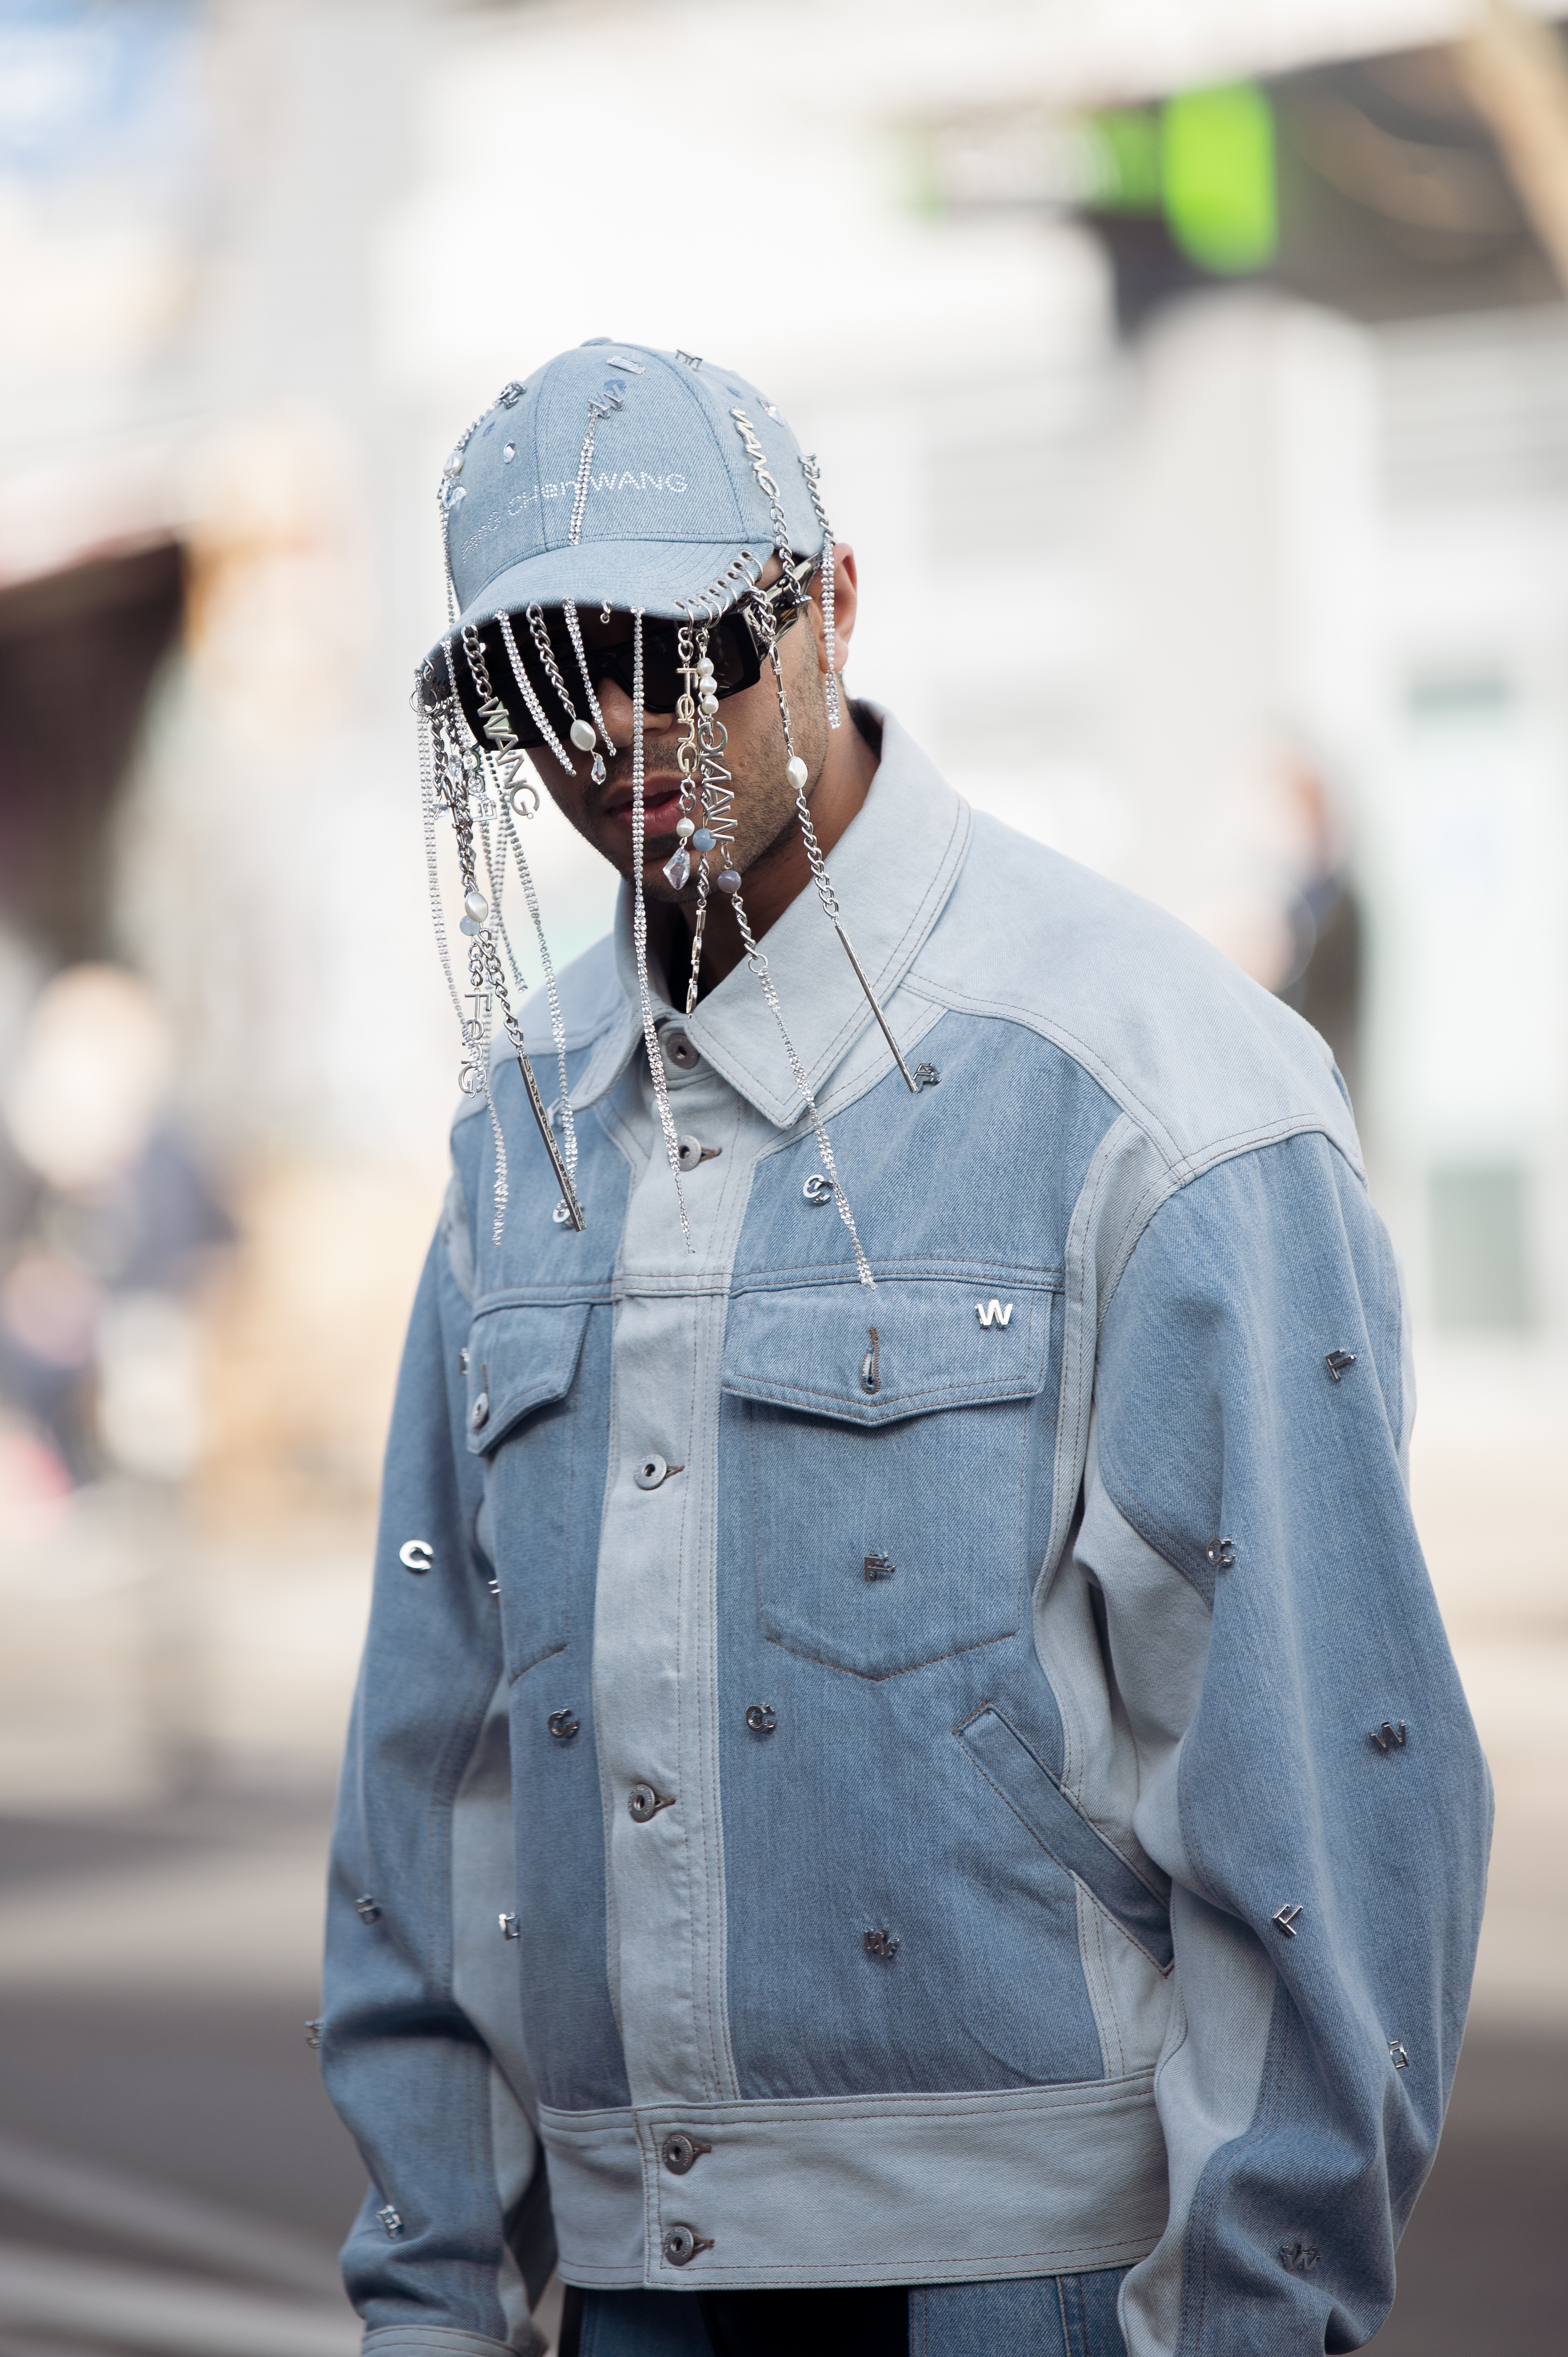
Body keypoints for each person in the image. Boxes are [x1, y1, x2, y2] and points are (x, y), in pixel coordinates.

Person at [319, 342, 1491, 2357]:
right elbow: (439, 1767)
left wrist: (1258, 2312)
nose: (621, 721)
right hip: (625, 2291)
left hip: (1030, 2289)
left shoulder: (1157, 1089)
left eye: (684, 640)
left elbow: (1331, 1782)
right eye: (548, 670)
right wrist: (429, 2290)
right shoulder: (520, 1130)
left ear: (834, 603)